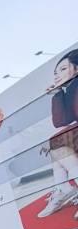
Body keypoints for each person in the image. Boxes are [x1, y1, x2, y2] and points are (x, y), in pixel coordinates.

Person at [39, 49, 78, 218]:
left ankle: (64, 188)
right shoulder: (70, 89)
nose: (57, 76)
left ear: (76, 69)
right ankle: (63, 188)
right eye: (55, 73)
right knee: (57, 145)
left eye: (63, 69)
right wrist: (57, 94)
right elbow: (61, 121)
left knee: (57, 142)